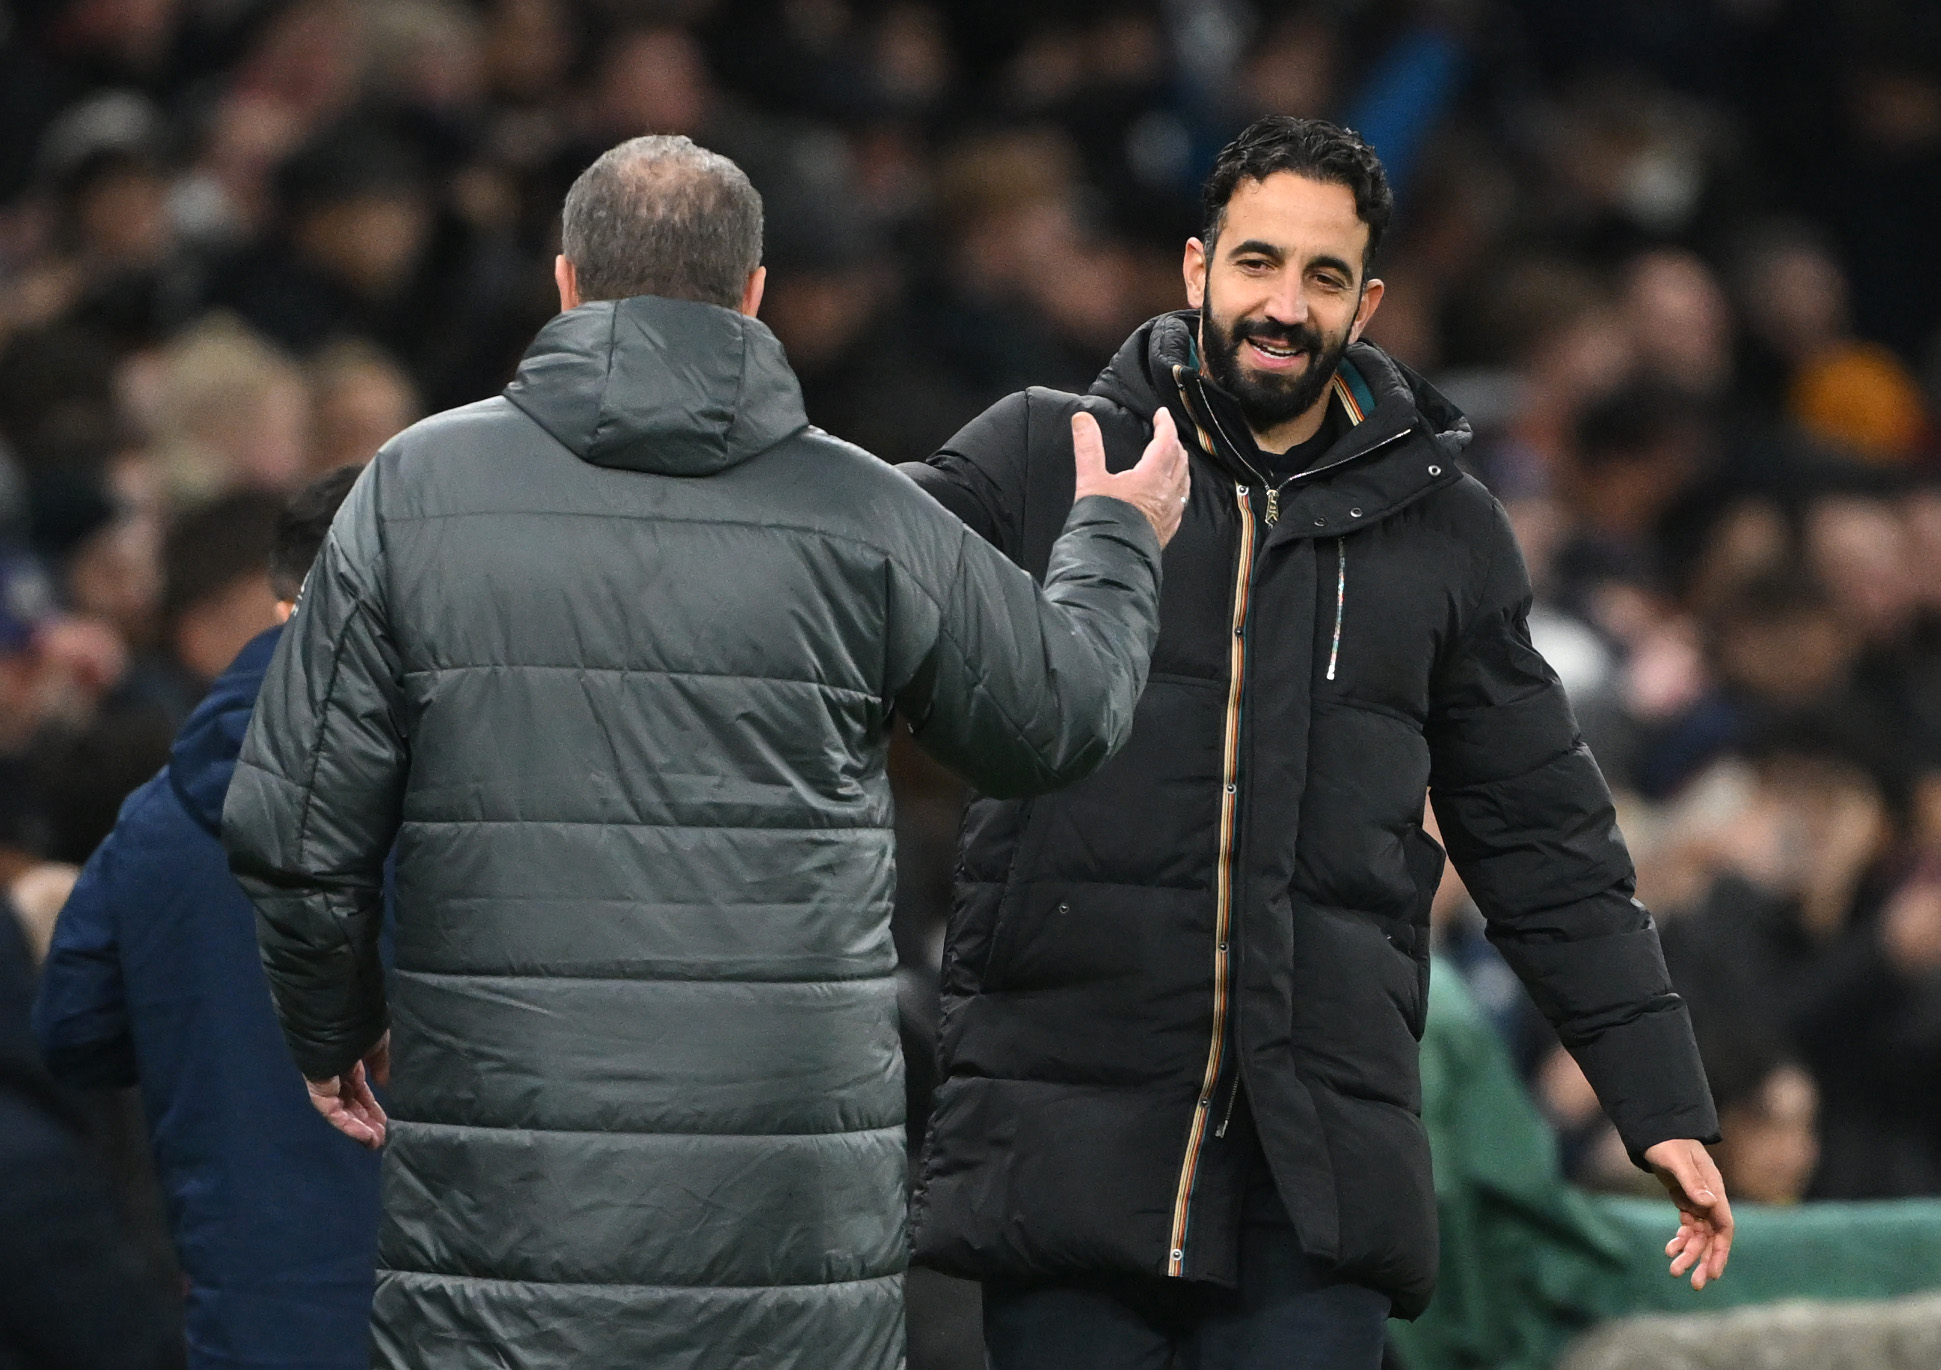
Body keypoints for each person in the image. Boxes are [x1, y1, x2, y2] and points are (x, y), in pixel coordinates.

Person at [219, 134, 1188, 1370]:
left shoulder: (409, 491)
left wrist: (331, 1022)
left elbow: (297, 837)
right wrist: (1114, 534)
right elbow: (1063, 717)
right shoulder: (868, 513)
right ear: (755, 295)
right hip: (789, 1246)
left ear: (566, 284)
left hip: (507, 1237)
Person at [901, 116, 1731, 1370]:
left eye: (1323, 276)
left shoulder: (1449, 529)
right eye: (1256, 264)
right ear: (1196, 269)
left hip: (1316, 1173)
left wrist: (1659, 1099)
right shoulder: (1039, 452)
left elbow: (1546, 837)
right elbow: (836, 578)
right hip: (1067, 1145)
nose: (1283, 305)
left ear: (1370, 299)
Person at [33, 466, 380, 1370]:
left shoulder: (156, 820)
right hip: (478, 1316)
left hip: (256, 1322)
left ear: (279, 604)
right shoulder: (491, 804)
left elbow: (75, 1030)